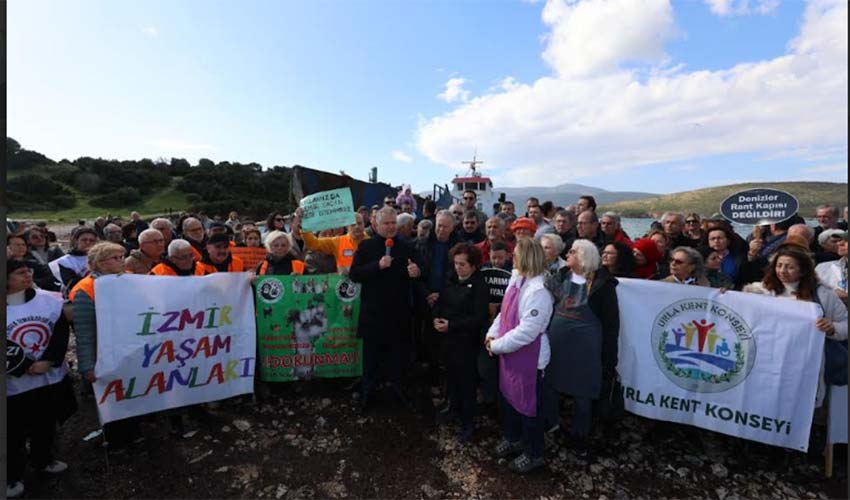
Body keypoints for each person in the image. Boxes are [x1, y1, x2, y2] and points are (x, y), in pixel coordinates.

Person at [743, 243, 848, 407]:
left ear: (803, 270)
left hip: (805, 365)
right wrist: (723, 296)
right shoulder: (759, 291)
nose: (782, 271)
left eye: (790, 267)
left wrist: (832, 328)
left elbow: (845, 324)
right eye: (779, 265)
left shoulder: (823, 294)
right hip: (766, 361)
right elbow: (740, 315)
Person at [542, 239, 619, 460]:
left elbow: (612, 326)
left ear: (584, 257)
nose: (568, 254)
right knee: (550, 385)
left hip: (584, 352)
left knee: (583, 394)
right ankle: (551, 424)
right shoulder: (562, 275)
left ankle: (579, 437)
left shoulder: (603, 286)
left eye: (573, 252)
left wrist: (609, 360)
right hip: (557, 347)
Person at [6, 260, 75, 499]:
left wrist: (48, 360)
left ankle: (43, 459)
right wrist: (23, 366)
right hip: (13, 383)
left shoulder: (49, 300)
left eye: (29, 271)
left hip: (48, 376)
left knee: (45, 422)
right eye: (19, 272)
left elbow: (60, 332)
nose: (27, 274)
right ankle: (11, 475)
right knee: (12, 431)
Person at [485, 238, 552, 474]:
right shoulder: (517, 279)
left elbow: (527, 332)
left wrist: (498, 345)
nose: (512, 256)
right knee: (510, 400)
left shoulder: (539, 291)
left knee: (529, 408)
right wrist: (491, 335)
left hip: (529, 359)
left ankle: (535, 453)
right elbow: (504, 313)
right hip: (511, 354)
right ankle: (513, 438)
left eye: (516, 254)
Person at [70, 242, 143, 448]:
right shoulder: (86, 289)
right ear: (98, 263)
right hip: (105, 352)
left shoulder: (129, 280)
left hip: (130, 349)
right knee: (113, 397)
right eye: (115, 258)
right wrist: (87, 364)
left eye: (122, 256)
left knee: (132, 391)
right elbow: (84, 332)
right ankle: (117, 440)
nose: (122, 261)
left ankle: (135, 432)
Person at [350, 207, 422, 413]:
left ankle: (400, 391)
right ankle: (367, 394)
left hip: (399, 313)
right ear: (376, 225)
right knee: (371, 358)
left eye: (393, 223)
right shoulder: (366, 246)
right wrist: (377, 266)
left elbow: (421, 269)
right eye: (386, 224)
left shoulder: (407, 246)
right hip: (373, 313)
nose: (391, 227)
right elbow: (354, 274)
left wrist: (416, 271)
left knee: (399, 357)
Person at [432, 243, 489, 441]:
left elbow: (478, 317)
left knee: (466, 382)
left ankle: (468, 422)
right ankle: (453, 408)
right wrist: (436, 317)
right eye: (456, 263)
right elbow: (441, 301)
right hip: (448, 339)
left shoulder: (480, 285)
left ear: (473, 266)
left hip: (466, 341)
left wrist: (452, 325)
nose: (458, 267)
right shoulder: (451, 278)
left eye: (462, 264)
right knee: (451, 376)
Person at [300, 212, 369, 275]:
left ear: (364, 225)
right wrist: (303, 224)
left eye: (359, 223)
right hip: (346, 285)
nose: (357, 226)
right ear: (347, 226)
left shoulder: (371, 242)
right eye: (353, 224)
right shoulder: (338, 241)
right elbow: (313, 243)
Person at [49, 226, 98, 293]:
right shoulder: (65, 261)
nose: (88, 242)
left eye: (91, 240)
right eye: (84, 240)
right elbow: (70, 283)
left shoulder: (101, 257)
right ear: (76, 241)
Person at [815, 231, 848, 306]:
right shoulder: (822, 267)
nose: (839, 243)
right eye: (839, 240)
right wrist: (831, 295)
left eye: (846, 241)